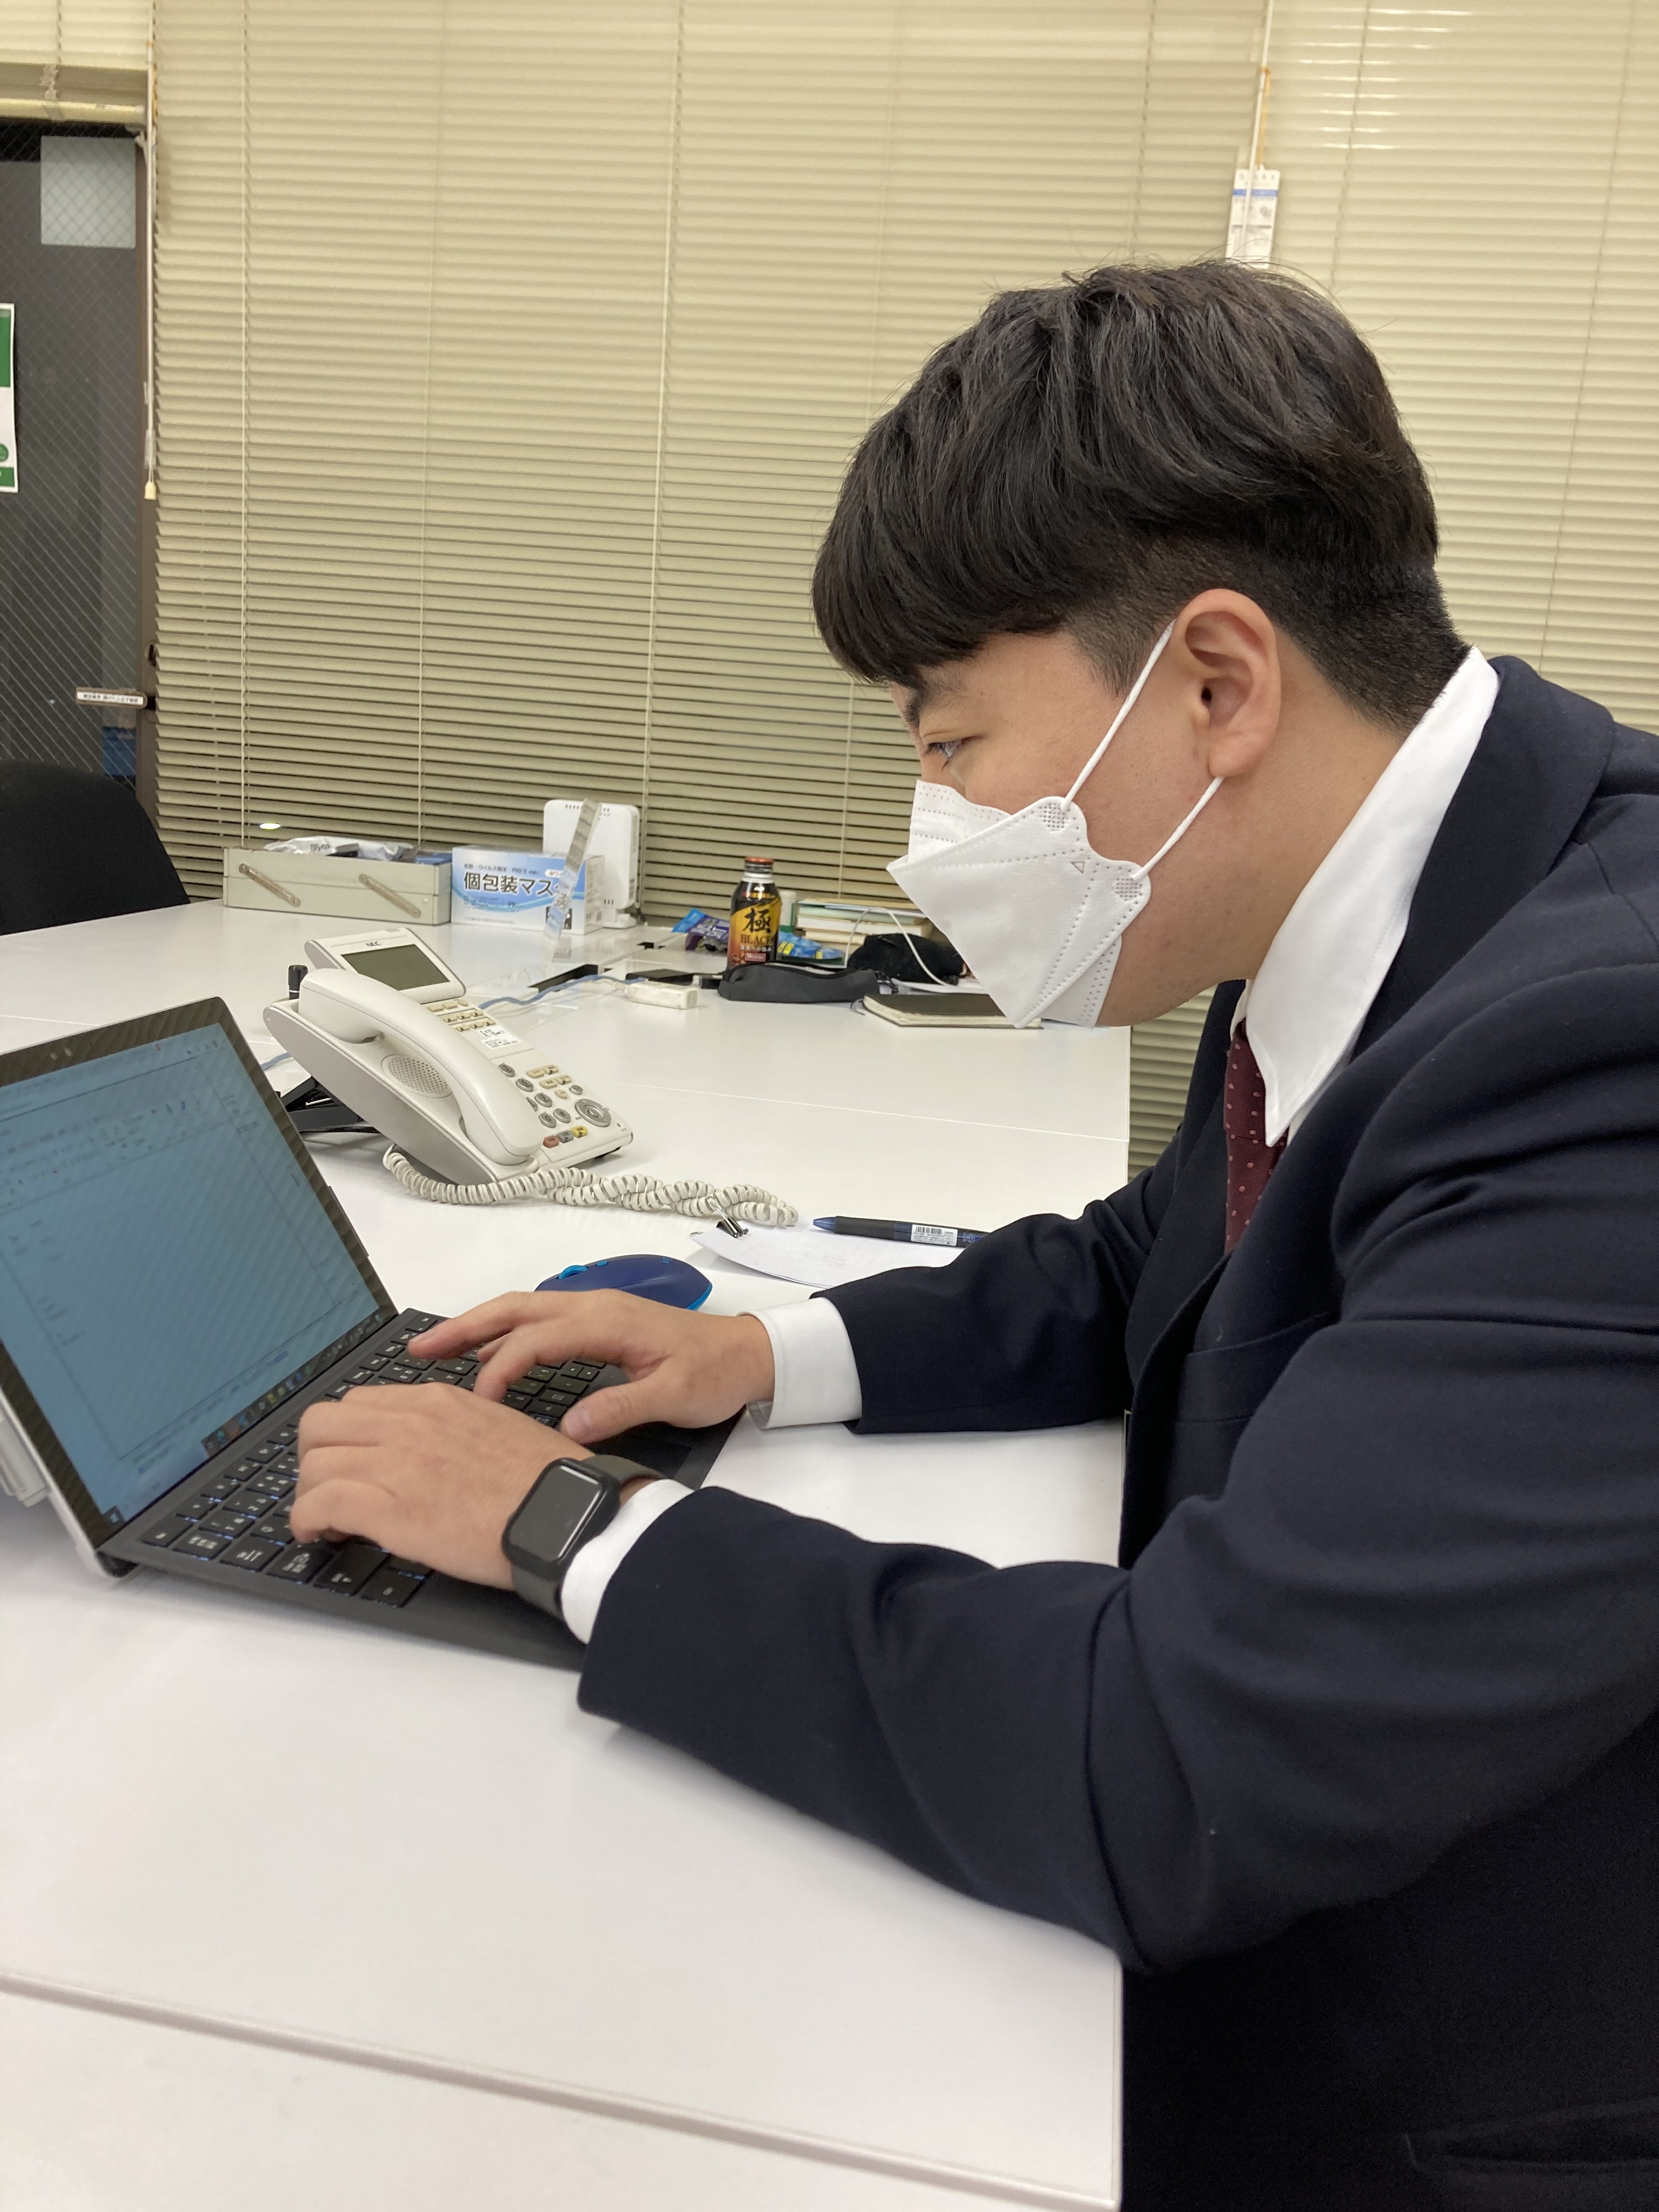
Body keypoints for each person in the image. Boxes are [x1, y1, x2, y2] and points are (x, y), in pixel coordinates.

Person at [291, 262, 1659, 2210]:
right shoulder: (1392, 887)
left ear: (1216, 684)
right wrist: (762, 1353)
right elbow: (1151, 1260)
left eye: (948, 745)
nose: (929, 820)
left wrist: (566, 1527)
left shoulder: (1601, 1050)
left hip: (1426, 2086)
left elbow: (1178, 1764)